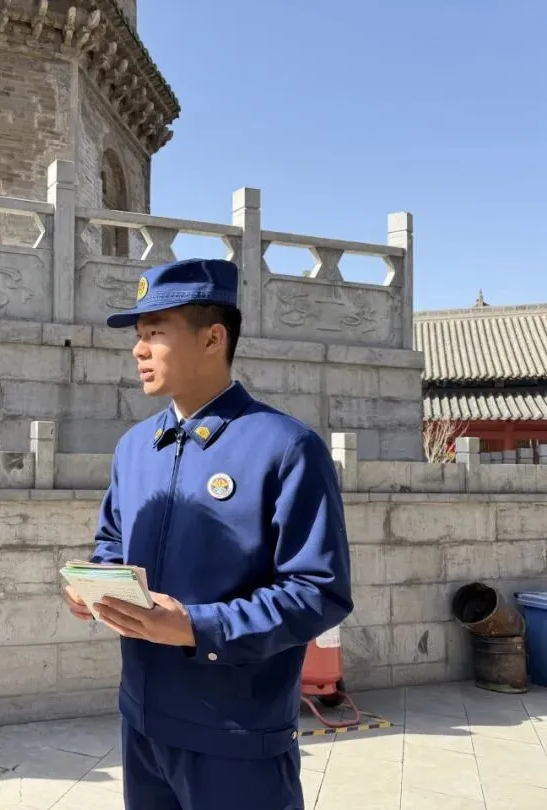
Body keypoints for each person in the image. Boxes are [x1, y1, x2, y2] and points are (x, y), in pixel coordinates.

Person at [63, 258, 353, 810]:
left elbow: (319, 591)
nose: (138, 350)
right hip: (142, 723)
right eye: (138, 335)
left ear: (213, 338)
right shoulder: (135, 447)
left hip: (237, 736)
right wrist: (94, 584)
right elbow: (112, 542)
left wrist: (197, 627)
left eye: (154, 333)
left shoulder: (285, 448)